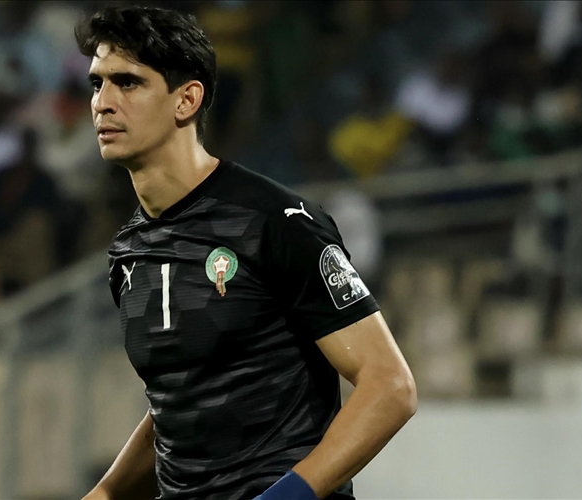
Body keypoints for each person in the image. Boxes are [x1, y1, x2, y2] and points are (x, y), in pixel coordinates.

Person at [76, 6, 417, 500]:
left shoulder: (275, 221)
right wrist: (107, 493)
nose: (102, 103)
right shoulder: (129, 250)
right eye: (96, 83)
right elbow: (181, 399)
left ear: (186, 100)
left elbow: (389, 387)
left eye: (127, 82)